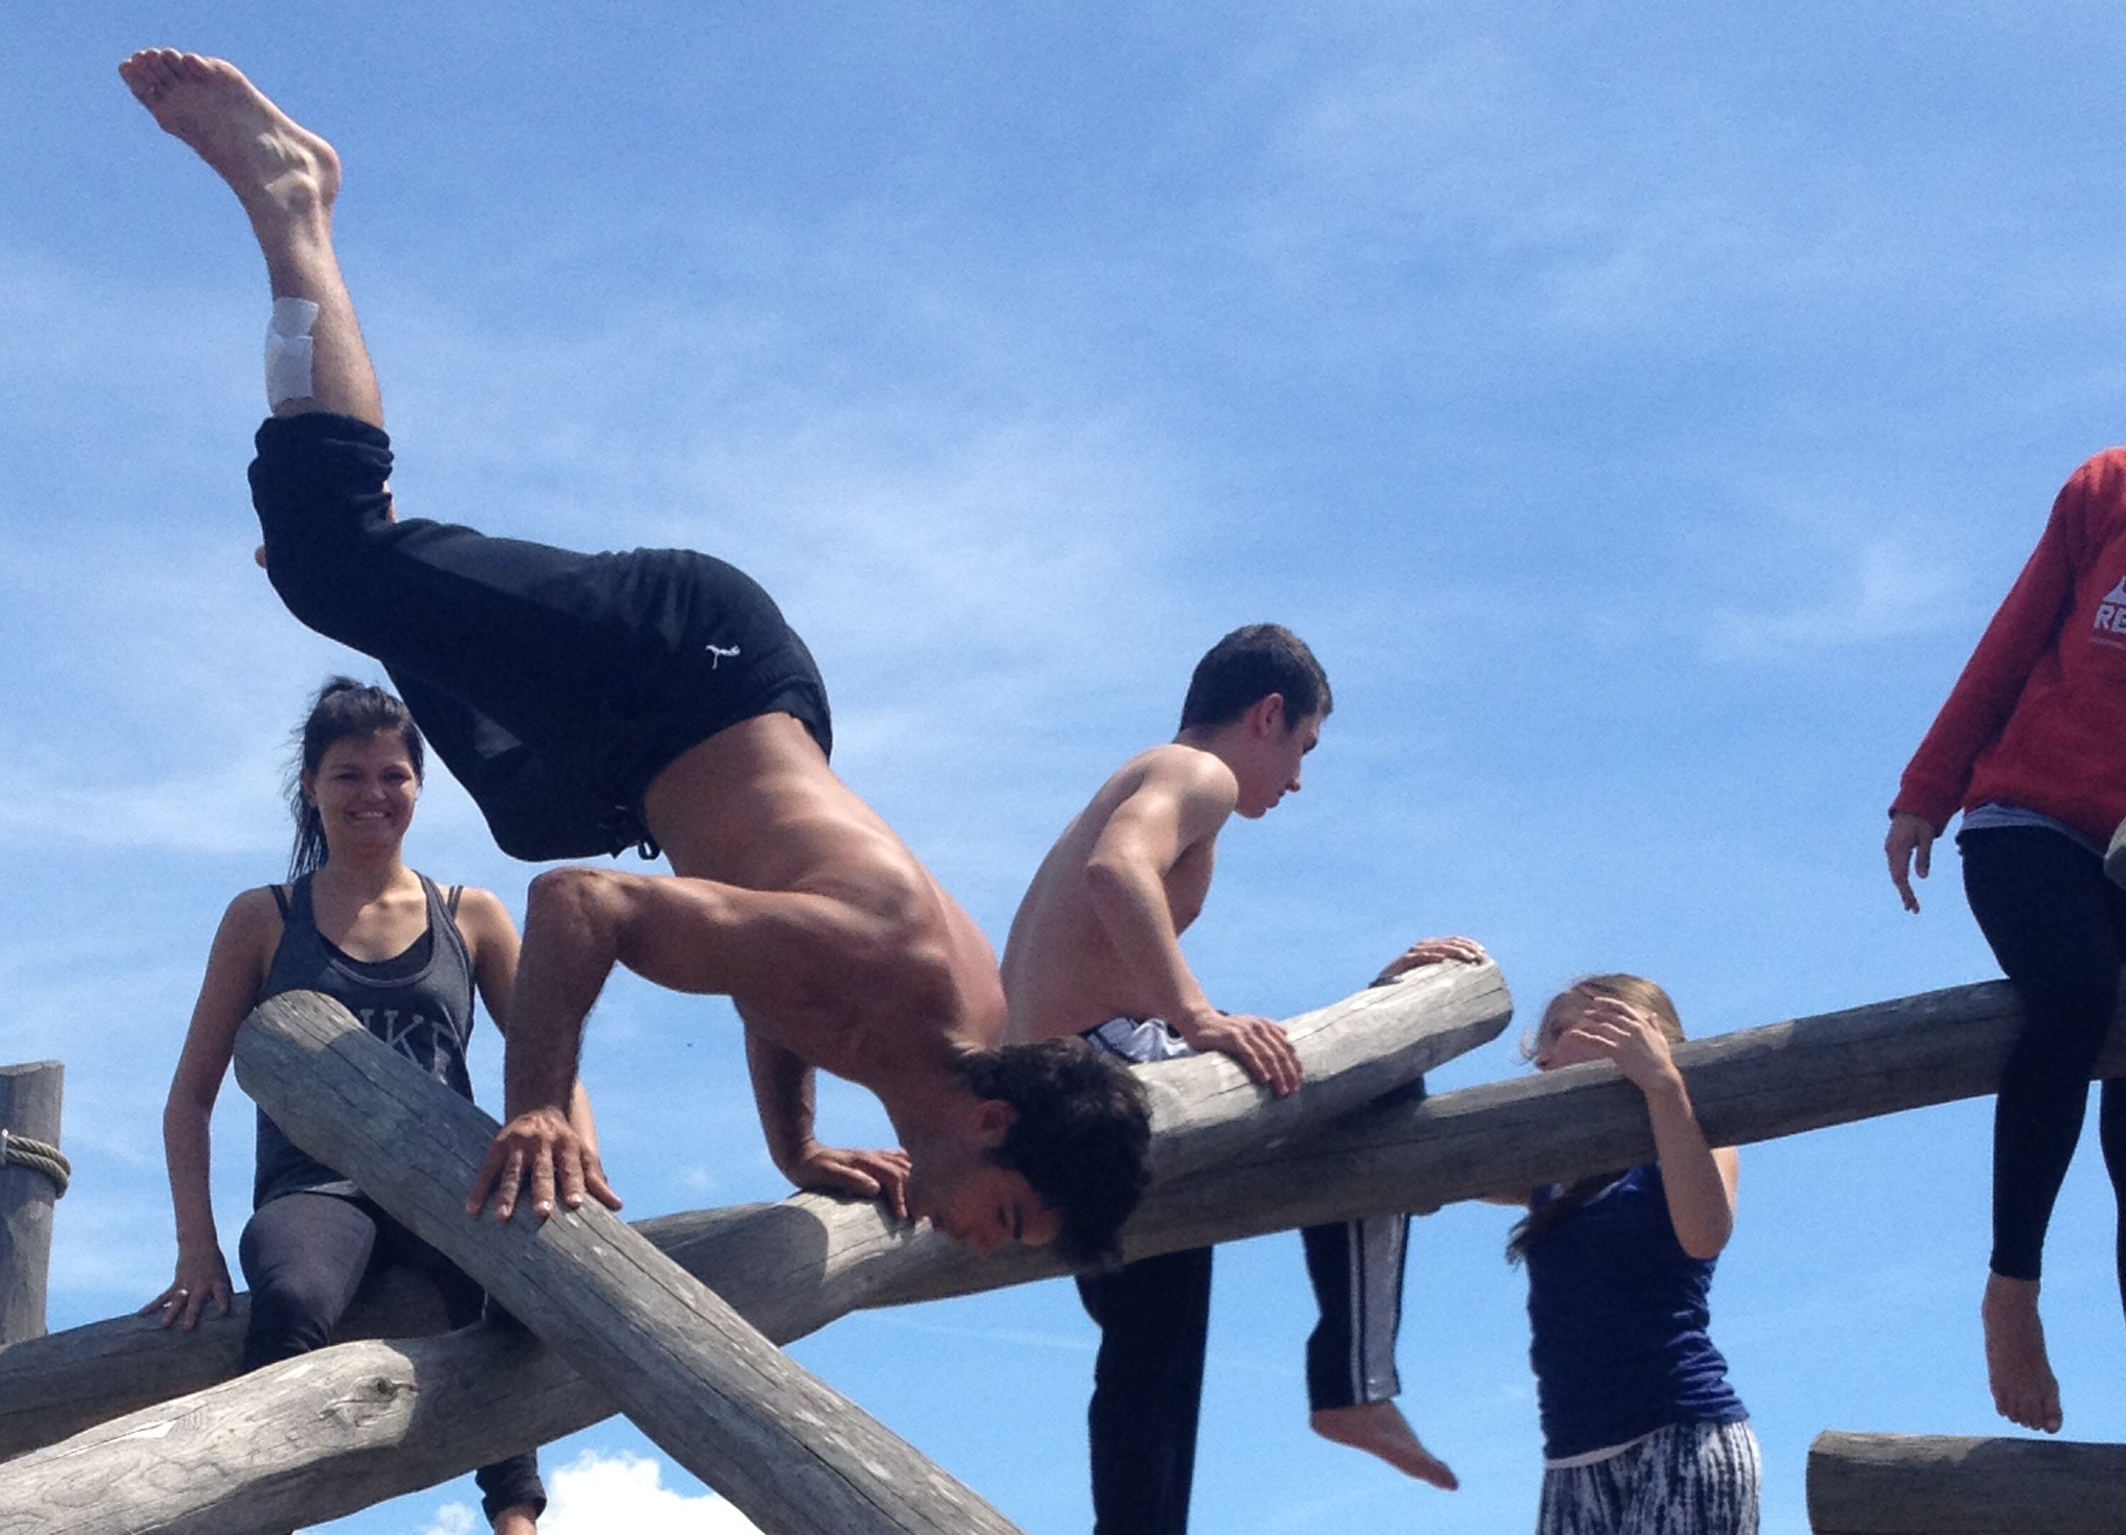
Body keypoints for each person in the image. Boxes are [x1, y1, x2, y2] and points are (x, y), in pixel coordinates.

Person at [118, 49, 1151, 1268]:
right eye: (1011, 1218)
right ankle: (291, 201)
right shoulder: (898, 971)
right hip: (684, 669)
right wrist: (541, 1102)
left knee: (520, 810)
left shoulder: (921, 1045)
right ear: (991, 1126)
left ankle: (386, 585)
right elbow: (585, 907)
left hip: (655, 756)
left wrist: (792, 1148)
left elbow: (773, 986)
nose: (983, 1242)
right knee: (325, 560)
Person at [1003, 623, 1483, 1534]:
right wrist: (1198, 1015)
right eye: (1302, 747)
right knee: (1379, 1076)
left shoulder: (1134, 778)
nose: (1297, 779)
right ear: (1269, 714)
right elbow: (1118, 872)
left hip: (1052, 1088)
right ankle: (1355, 1379)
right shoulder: (1198, 774)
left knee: (1150, 1346)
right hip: (1101, 1071)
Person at [142, 679, 581, 1535]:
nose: (372, 795)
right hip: (315, 1188)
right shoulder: (264, 918)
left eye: (393, 775)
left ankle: (517, 1519)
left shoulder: (473, 915)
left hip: (449, 1181)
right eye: (347, 775)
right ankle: (256, 1518)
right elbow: (190, 1095)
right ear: (310, 786)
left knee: (516, 1290)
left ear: (420, 785)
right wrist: (196, 1245)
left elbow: (552, 1069)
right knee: (296, 1296)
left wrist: (568, 1181)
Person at [1886, 448, 2126, 1434]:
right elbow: (2009, 638)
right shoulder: (2105, 489)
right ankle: (2011, 1285)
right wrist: (1924, 791)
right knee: (2075, 996)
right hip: (2025, 820)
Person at [1507, 976, 1757, 1535]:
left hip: (1681, 1437)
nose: (1541, 1057)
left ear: (1627, 1026)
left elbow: (1704, 1235)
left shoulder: (1698, 1134)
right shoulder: (1552, 1165)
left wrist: (1664, 1086)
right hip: (1571, 1459)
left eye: (1557, 1033)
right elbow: (1435, 1176)